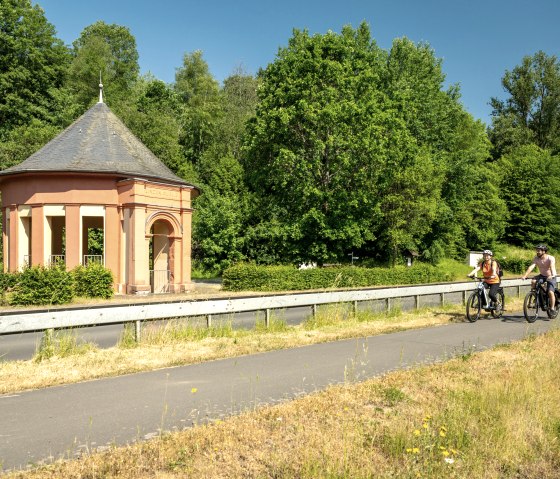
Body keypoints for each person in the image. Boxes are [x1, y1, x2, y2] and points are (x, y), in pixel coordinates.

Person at [522, 244, 557, 313]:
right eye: (537, 250)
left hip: (551, 276)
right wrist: (525, 275)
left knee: (550, 292)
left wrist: (552, 275)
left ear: (544, 251)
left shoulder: (550, 258)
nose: (537, 252)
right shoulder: (536, 258)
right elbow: (531, 267)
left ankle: (552, 308)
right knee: (533, 281)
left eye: (539, 251)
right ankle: (535, 294)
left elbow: (552, 266)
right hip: (542, 275)